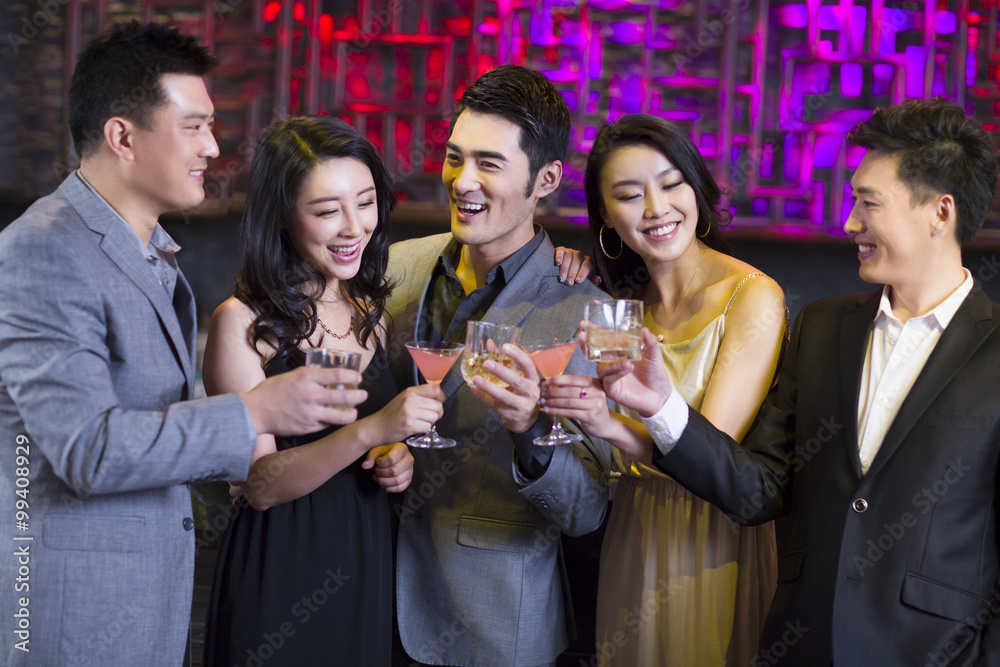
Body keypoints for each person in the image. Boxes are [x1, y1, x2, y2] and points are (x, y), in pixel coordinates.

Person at [0, 22, 366, 666]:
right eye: (194, 126)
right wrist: (255, 413)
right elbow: (86, 449)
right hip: (70, 612)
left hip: (147, 604)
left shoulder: (154, 258)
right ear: (122, 136)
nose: (214, 145)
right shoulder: (45, 249)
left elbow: (155, 432)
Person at [595, 98, 1000, 665]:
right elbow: (759, 488)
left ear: (940, 213)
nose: (849, 222)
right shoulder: (823, 327)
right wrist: (662, 407)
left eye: (867, 203)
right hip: (803, 644)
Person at [385, 65, 612, 666]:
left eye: (489, 163)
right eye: (455, 158)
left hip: (489, 626)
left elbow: (586, 509)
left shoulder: (585, 313)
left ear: (547, 179)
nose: (463, 181)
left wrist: (529, 432)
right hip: (361, 596)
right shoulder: (393, 268)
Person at [541, 114, 786, 666]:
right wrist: (563, 271)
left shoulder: (750, 296)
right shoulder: (619, 309)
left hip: (713, 538)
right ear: (606, 215)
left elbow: (710, 454)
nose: (656, 209)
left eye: (672, 184)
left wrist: (607, 425)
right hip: (635, 529)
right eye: (629, 195)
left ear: (696, 189)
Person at [201, 115, 436, 666]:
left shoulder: (371, 315)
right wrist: (373, 430)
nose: (355, 227)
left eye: (366, 202)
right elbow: (259, 484)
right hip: (281, 565)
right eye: (328, 211)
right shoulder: (240, 325)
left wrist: (393, 456)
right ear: (282, 217)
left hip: (364, 558)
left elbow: (371, 446)